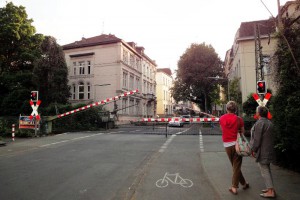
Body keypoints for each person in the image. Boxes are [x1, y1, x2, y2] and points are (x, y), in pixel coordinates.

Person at [219, 101, 249, 195]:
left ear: (226, 108)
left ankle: (243, 184)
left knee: (235, 166)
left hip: (227, 145)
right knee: (236, 166)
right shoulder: (239, 119)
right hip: (237, 144)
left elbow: (222, 130)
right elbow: (243, 132)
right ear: (235, 109)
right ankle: (235, 187)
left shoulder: (222, 118)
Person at [250, 106, 276, 198]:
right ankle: (270, 188)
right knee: (267, 169)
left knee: (265, 170)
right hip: (268, 149)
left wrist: (253, 149)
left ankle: (270, 191)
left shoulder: (260, 123)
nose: (255, 113)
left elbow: (257, 140)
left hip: (263, 151)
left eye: (256, 112)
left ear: (258, 113)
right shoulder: (269, 122)